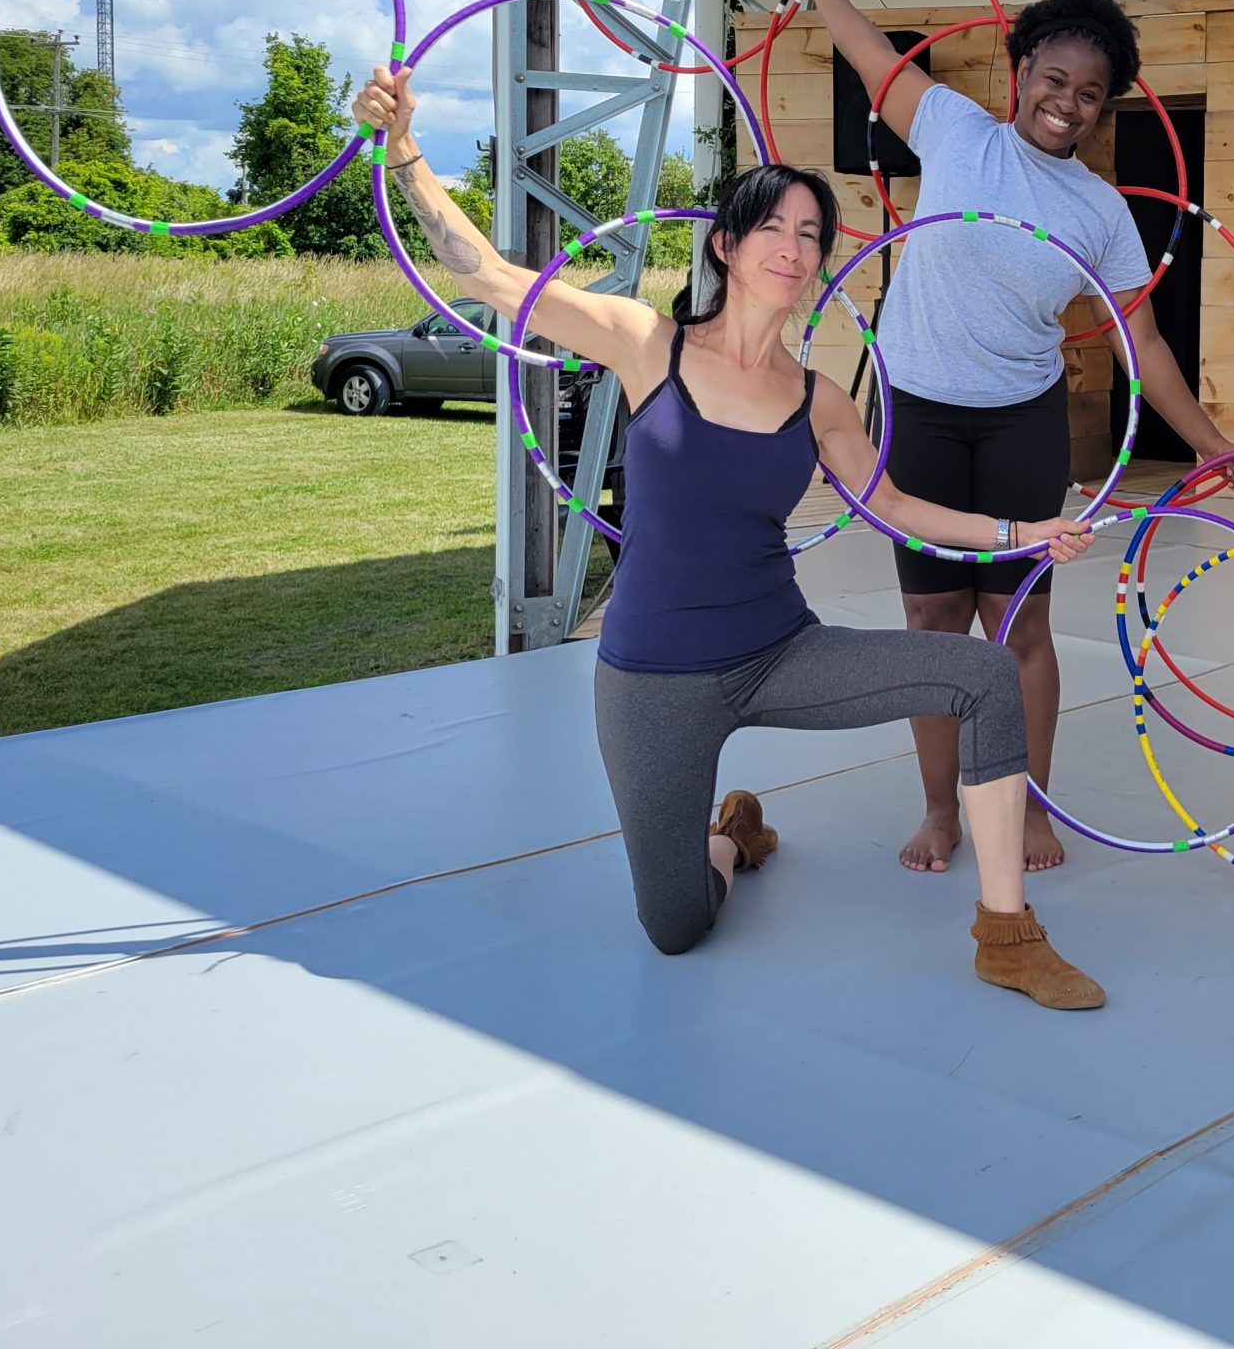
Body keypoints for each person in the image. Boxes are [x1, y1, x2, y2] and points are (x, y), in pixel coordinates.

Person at [353, 65, 1107, 1010]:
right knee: (675, 929)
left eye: (809, 235)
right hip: (654, 677)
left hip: (779, 652)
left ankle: (1007, 934)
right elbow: (492, 278)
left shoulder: (817, 398)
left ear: (819, 263)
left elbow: (899, 506)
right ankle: (733, 833)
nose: (791, 247)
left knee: (985, 673)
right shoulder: (643, 343)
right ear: (726, 245)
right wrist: (404, 151)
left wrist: (1021, 530)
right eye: (771, 227)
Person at [801, 0, 1234, 878]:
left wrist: (1210, 444)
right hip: (920, 412)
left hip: (1020, 420)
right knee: (932, 623)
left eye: (1092, 92)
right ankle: (939, 808)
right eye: (1056, 79)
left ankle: (1028, 803)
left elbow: (1147, 347)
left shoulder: (1101, 212)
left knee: (1020, 630)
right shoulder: (955, 129)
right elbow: (869, 57)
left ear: (1107, 105)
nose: (1069, 102)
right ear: (1022, 75)